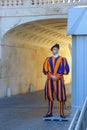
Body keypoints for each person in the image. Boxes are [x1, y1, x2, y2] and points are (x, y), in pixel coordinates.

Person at [43, 43, 70, 118]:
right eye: (53, 49)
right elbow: (45, 69)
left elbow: (65, 69)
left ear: (58, 50)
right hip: (50, 80)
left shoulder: (63, 59)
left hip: (59, 81)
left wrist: (58, 76)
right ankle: (49, 112)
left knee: (60, 96)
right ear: (52, 51)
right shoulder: (48, 59)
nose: (54, 51)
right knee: (50, 96)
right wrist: (51, 76)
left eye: (56, 49)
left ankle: (61, 113)